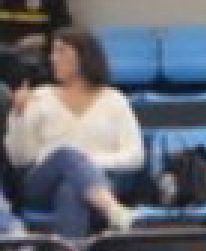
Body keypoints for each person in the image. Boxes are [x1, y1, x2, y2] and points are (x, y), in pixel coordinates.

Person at [4, 27, 139, 239]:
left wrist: (83, 163)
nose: (53, 58)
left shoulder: (114, 100)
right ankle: (113, 210)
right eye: (52, 52)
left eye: (61, 51)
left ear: (84, 56)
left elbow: (135, 156)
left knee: (71, 187)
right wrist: (19, 116)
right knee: (65, 155)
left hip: (104, 181)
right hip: (42, 185)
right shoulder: (40, 97)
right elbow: (20, 158)